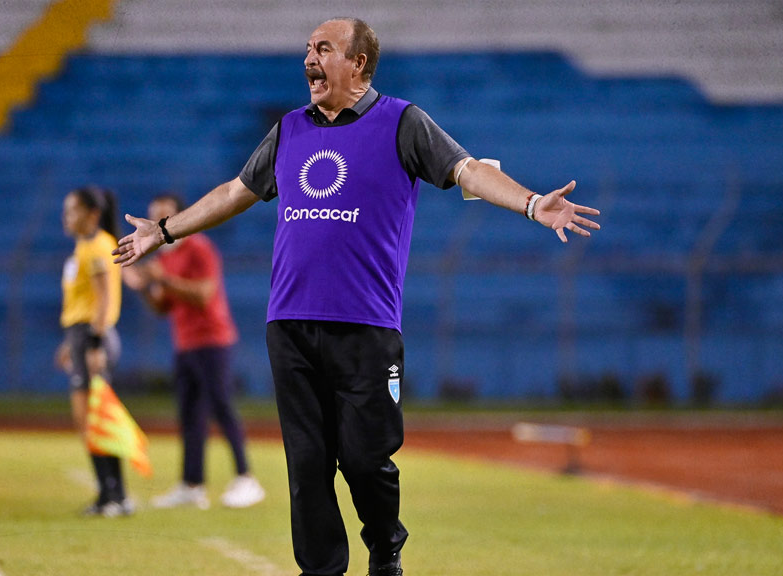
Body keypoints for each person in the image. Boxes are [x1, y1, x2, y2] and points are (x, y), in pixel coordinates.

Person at [113, 17, 600, 576]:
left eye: (323, 49)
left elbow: (467, 171)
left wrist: (535, 204)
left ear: (359, 63)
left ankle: (385, 548)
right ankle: (321, 570)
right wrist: (165, 229)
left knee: (366, 459)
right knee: (308, 464)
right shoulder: (289, 129)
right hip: (290, 324)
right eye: (307, 49)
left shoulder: (403, 122)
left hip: (366, 326)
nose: (309, 60)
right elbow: (235, 191)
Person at [122, 193, 265, 510]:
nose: (159, 224)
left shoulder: (199, 247)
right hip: (185, 343)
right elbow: (163, 307)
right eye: (154, 217)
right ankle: (192, 485)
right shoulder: (165, 256)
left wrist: (164, 279)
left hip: (213, 340)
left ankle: (246, 478)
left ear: (178, 217)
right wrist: (143, 286)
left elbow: (204, 295)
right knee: (190, 415)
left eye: (165, 218)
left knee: (221, 406)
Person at [56, 185, 132, 517]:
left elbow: (102, 301)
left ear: (92, 214)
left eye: (72, 210)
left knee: (93, 420)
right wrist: (68, 343)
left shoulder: (97, 247)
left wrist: (94, 345)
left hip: (92, 336)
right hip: (83, 335)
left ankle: (111, 496)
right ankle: (114, 495)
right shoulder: (86, 247)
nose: (66, 217)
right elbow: (85, 302)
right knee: (94, 419)